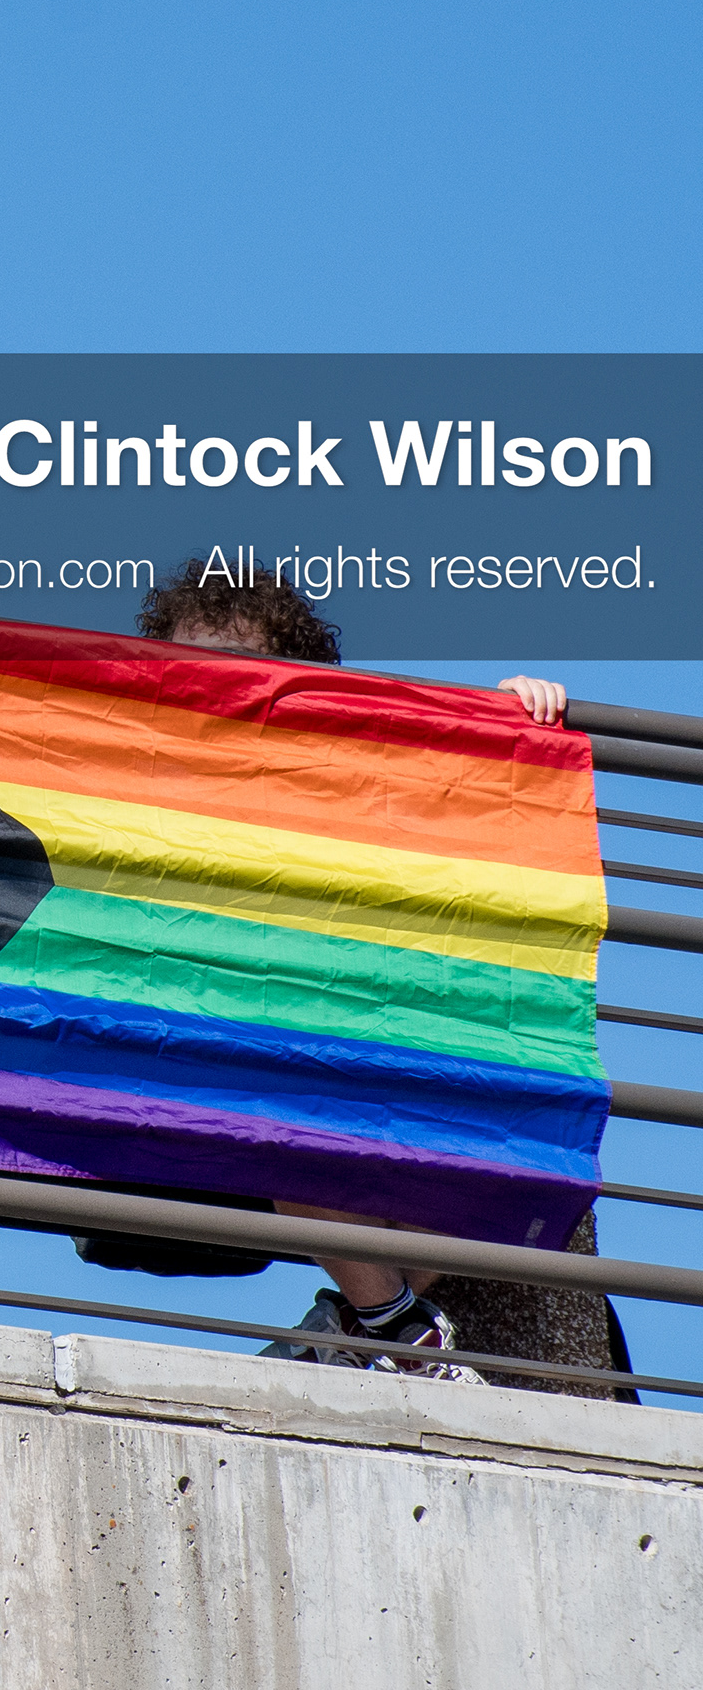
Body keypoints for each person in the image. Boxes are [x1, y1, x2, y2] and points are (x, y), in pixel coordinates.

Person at [136, 558, 596, 1380]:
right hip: (192, 1060)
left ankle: (360, 1323)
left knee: (492, 1103)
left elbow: (447, 799)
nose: (211, 685)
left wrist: (512, 719)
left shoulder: (344, 761)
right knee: (278, 1076)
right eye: (189, 663)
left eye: (237, 664)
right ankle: (388, 1324)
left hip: (331, 1044)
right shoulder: (132, 761)